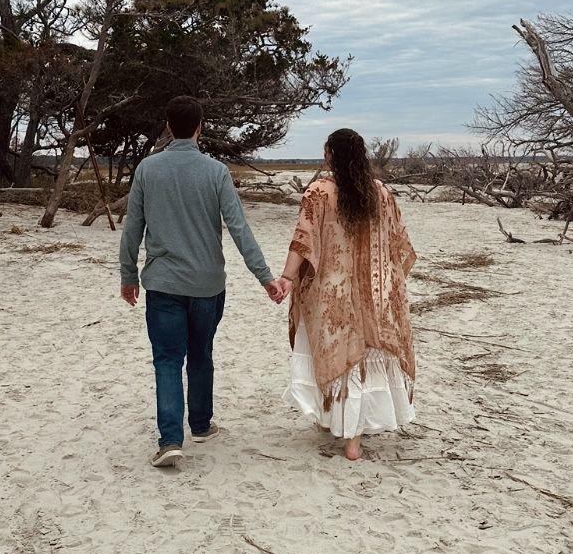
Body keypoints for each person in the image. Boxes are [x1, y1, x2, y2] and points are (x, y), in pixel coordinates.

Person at [120, 95, 287, 468]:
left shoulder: (148, 169)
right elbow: (239, 229)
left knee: (166, 359)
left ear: (167, 126)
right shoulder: (216, 172)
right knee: (201, 353)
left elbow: (133, 226)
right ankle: (200, 423)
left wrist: (128, 275)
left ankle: (170, 440)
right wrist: (266, 278)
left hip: (163, 283)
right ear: (200, 127)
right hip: (207, 284)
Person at [276, 128, 416, 460]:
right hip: (375, 294)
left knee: (339, 358)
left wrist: (287, 277)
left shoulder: (319, 193)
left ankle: (346, 434)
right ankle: (350, 435)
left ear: (329, 155)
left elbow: (303, 240)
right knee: (363, 358)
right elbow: (400, 244)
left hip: (332, 294)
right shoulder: (380, 193)